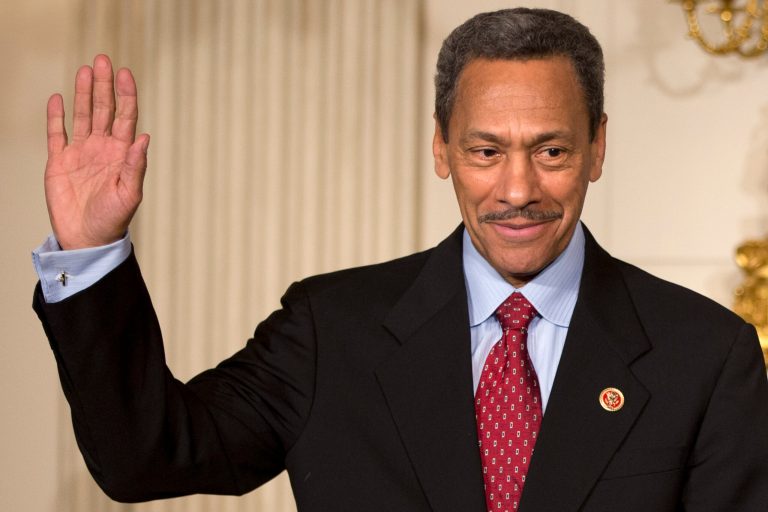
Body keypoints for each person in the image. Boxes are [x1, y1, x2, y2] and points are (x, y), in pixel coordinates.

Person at [32, 7, 768, 512]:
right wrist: (90, 251)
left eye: (551, 151)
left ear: (597, 148)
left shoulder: (706, 356)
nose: (518, 190)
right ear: (441, 147)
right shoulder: (329, 331)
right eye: (485, 151)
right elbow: (145, 458)